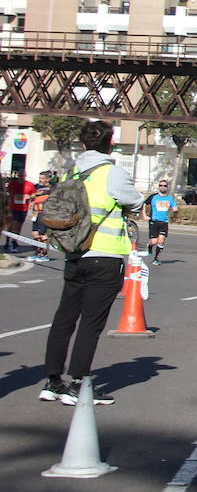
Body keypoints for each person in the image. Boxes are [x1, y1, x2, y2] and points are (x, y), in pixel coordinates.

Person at [39, 120, 144, 406]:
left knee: (64, 318)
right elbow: (134, 202)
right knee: (91, 323)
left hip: (74, 253)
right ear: (110, 143)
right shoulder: (112, 173)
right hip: (105, 255)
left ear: (84, 144)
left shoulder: (73, 171)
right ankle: (79, 382)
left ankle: (52, 381)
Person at [144, 179, 178, 265]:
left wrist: (175, 214)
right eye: (161, 185)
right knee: (154, 241)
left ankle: (156, 259)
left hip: (164, 222)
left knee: (161, 240)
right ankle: (150, 246)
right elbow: (144, 204)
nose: (162, 187)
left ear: (167, 187)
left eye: (164, 186)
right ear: (159, 187)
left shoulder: (169, 198)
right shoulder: (153, 197)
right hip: (153, 221)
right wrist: (144, 215)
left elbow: (175, 209)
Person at [6, 173, 35, 253]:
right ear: (17, 176)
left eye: (23, 176)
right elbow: (8, 193)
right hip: (13, 208)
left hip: (23, 209)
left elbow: (34, 195)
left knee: (18, 227)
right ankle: (11, 242)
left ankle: (14, 240)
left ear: (25, 176)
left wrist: (30, 199)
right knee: (13, 225)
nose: (21, 177)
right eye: (20, 176)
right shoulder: (12, 184)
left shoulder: (30, 185)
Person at [29, 170, 53, 263]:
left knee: (43, 235)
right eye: (39, 178)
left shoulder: (51, 188)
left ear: (48, 179)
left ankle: (45, 254)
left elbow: (46, 197)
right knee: (35, 234)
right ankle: (37, 252)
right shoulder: (36, 187)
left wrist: (35, 199)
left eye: (42, 178)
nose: (40, 180)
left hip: (44, 213)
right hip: (36, 213)